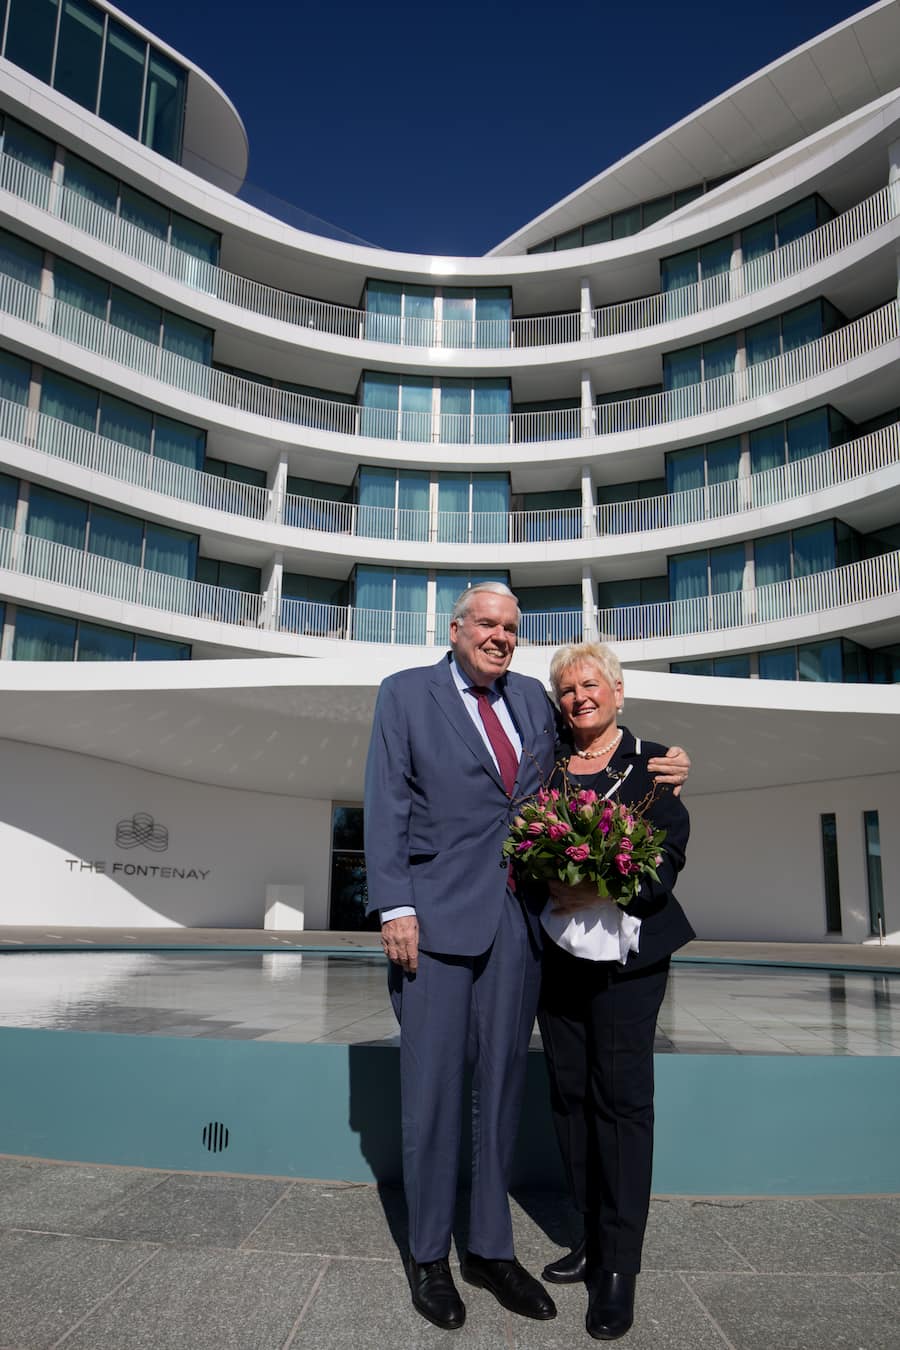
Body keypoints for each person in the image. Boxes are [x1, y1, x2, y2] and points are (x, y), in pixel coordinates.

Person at [364, 585, 689, 1332]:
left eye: (511, 628)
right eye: (487, 624)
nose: (500, 636)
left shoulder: (533, 704)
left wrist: (668, 760)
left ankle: (488, 1247)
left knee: (504, 1092)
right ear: (455, 630)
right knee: (435, 1092)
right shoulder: (406, 694)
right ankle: (429, 1257)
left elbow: (595, 743)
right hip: (435, 924)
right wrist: (395, 906)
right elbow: (384, 802)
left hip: (516, 923)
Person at [536, 641, 693, 1341]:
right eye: (567, 689)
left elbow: (666, 857)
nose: (579, 697)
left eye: (590, 684)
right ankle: (593, 1238)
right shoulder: (546, 769)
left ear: (618, 692)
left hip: (630, 961)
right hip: (558, 959)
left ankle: (621, 1266)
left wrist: (597, 881)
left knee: (621, 1100)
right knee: (570, 1094)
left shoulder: (656, 764)